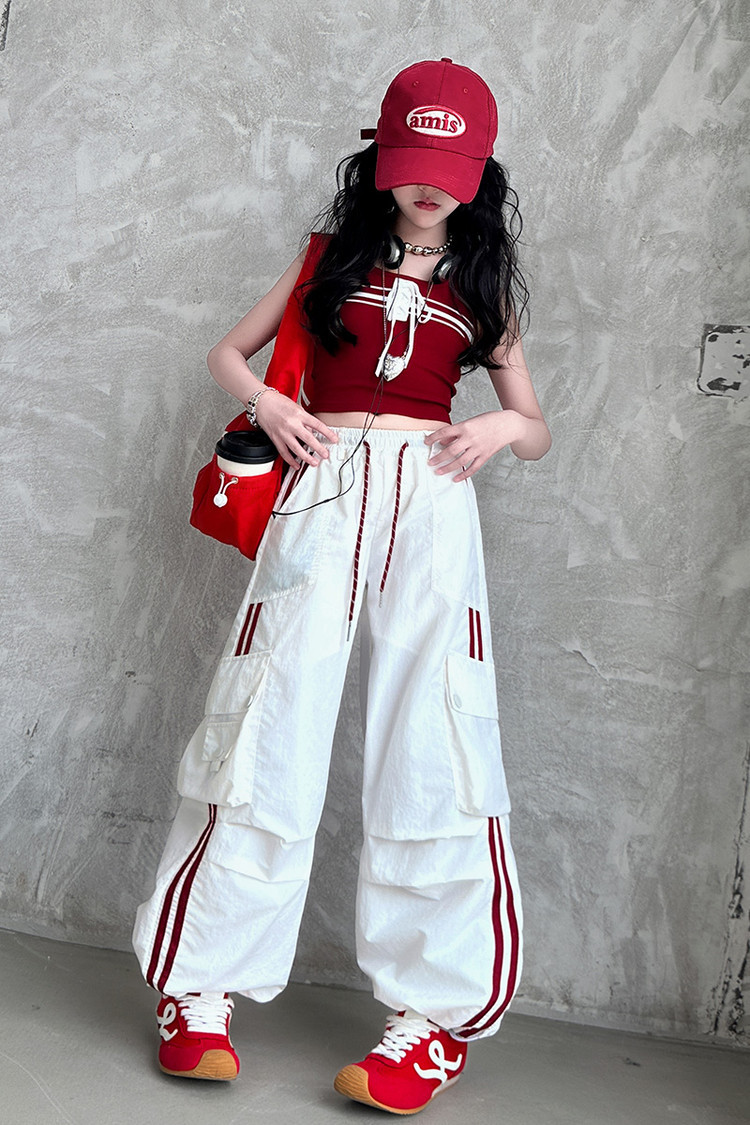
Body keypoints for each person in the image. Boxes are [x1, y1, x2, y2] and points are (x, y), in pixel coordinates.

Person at [132, 57, 551, 1116]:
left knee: (439, 736)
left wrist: (503, 424)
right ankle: (199, 988)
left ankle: (433, 1019)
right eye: (411, 162)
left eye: (448, 168)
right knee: (265, 717)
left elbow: (535, 426)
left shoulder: (485, 284)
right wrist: (271, 408)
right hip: (320, 483)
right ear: (382, 159)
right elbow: (230, 354)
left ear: (478, 170)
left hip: (433, 496)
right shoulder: (329, 255)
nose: (427, 185)